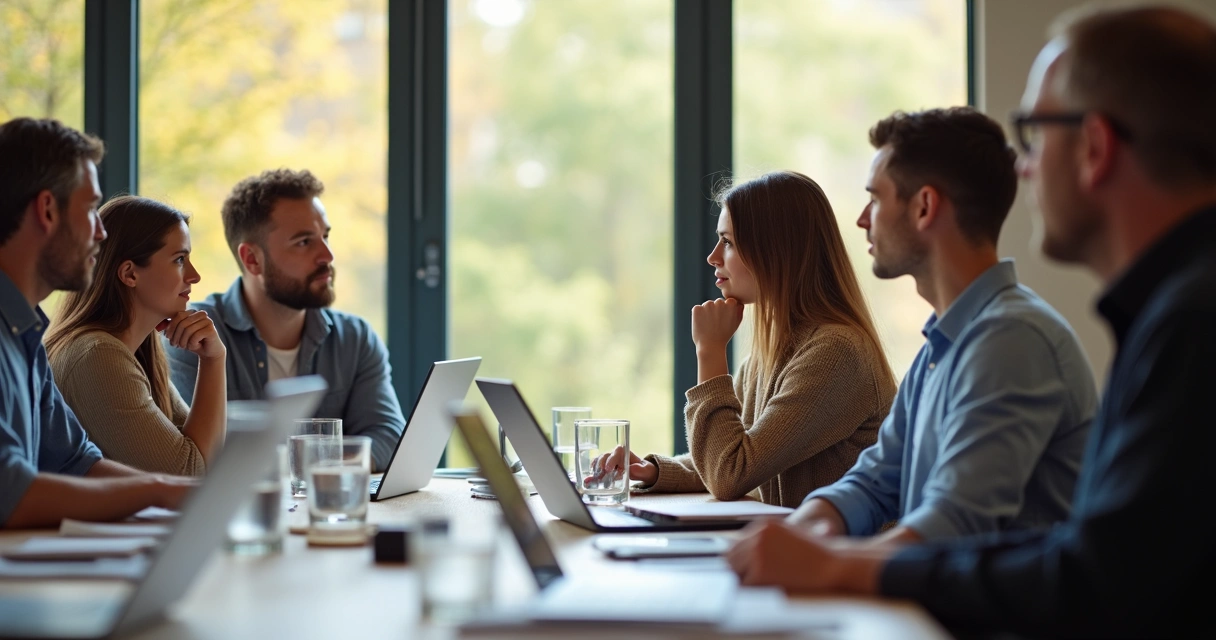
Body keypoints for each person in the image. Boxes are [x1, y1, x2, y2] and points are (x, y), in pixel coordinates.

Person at [725, 5, 1216, 637]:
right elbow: (879, 479)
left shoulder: (1158, 325)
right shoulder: (948, 343)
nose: (1026, 165)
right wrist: (808, 537)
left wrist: (836, 566)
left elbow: (1088, 574)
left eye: (1036, 133)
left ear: (1094, 147)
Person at [785, 107, 1097, 546]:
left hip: (995, 615)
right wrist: (791, 536)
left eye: (875, 198)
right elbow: (873, 483)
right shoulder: (943, 344)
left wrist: (818, 564)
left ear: (925, 207)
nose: (861, 219)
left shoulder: (1013, 341)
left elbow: (951, 528)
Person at [599, 171, 897, 507]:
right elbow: (729, 456)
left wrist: (709, 350)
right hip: (795, 550)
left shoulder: (836, 353)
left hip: (843, 557)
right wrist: (652, 471)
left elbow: (730, 473)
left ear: (777, 251)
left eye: (727, 242)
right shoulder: (774, 352)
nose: (713, 257)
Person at [0, 117, 194, 529]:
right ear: (47, 210)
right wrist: (160, 491)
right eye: (91, 210)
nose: (102, 233)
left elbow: (77, 462)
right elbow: (8, 491)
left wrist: (178, 495)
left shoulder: (24, 333)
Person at [166, 169, 404, 471]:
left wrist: (307, 469)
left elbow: (389, 437)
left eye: (325, 236)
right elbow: (197, 457)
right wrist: (327, 463)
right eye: (304, 242)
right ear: (252, 259)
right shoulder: (192, 338)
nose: (327, 256)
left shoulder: (355, 338)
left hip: (325, 514)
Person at [45, 196, 226, 476]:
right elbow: (189, 474)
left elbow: (206, 457)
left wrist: (214, 356)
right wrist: (214, 360)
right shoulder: (97, 355)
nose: (194, 276)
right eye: (179, 259)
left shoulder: (136, 351)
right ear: (129, 274)